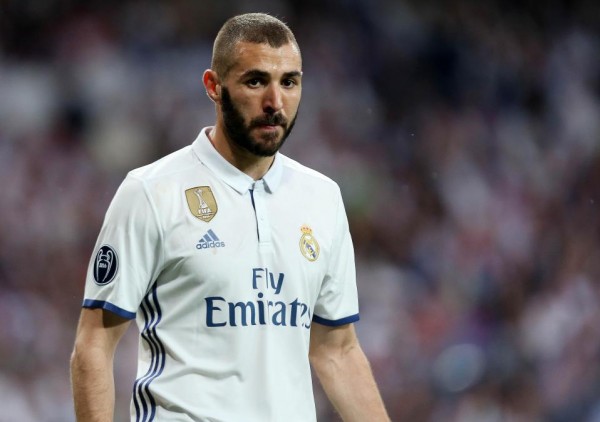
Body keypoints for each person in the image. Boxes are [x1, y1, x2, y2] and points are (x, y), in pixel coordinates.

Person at [70, 12, 390, 422]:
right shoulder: (152, 192)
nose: (275, 102)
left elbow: (338, 351)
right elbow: (94, 345)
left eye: (289, 82)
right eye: (256, 81)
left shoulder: (322, 198)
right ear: (213, 87)